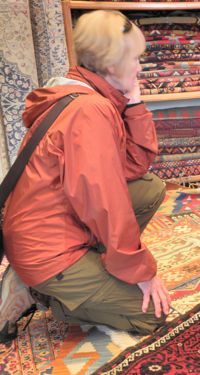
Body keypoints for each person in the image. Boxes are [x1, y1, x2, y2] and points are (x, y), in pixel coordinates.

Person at [0, 10, 170, 341]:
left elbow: (132, 169)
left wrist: (134, 105)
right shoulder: (90, 111)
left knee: (148, 189)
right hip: (46, 248)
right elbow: (105, 202)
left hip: (48, 227)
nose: (139, 67)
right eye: (134, 58)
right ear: (111, 64)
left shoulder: (82, 93)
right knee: (152, 314)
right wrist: (142, 273)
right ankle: (39, 293)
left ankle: (53, 278)